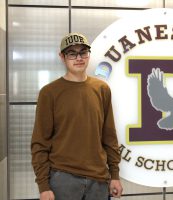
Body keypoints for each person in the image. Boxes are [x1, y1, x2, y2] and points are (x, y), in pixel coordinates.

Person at [31, 32, 123, 200]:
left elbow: (109, 136)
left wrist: (115, 175)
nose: (78, 58)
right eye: (72, 53)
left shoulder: (102, 89)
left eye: (83, 52)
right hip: (63, 179)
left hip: (99, 180)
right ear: (62, 57)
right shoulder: (49, 93)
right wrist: (43, 186)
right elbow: (39, 143)